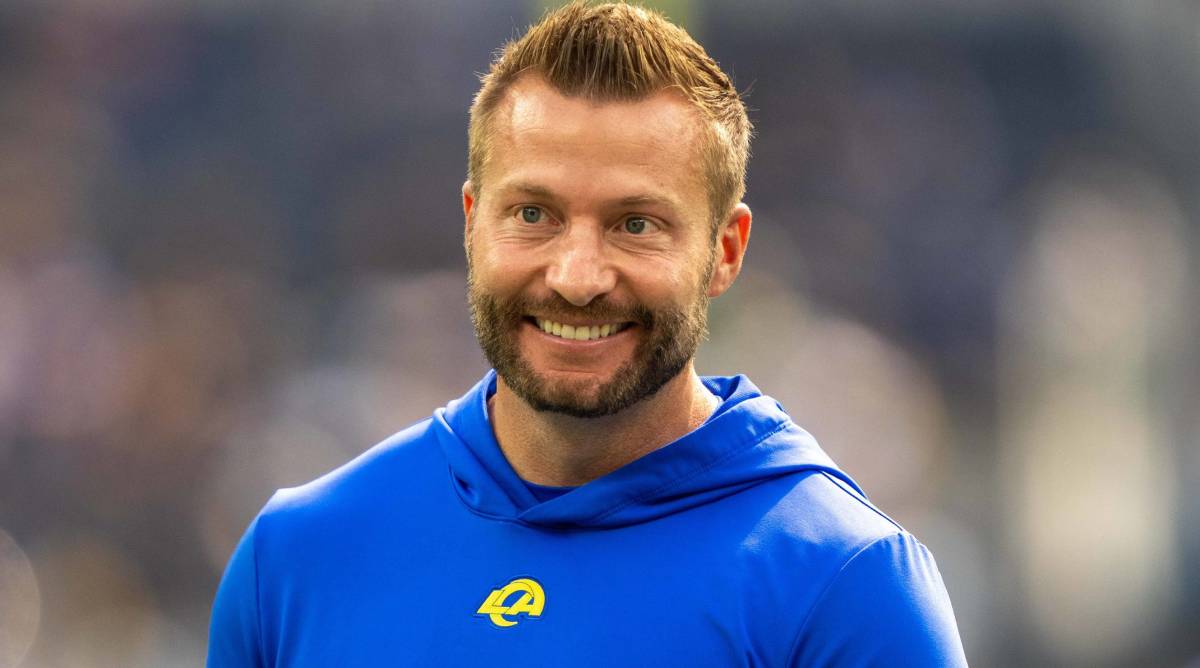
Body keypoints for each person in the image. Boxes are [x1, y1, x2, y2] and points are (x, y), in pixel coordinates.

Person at [207, 3, 968, 665]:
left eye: (635, 224)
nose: (577, 275)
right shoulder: (297, 560)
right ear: (473, 224)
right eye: (533, 215)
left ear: (724, 252)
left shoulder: (845, 587)